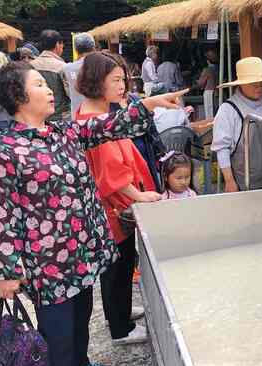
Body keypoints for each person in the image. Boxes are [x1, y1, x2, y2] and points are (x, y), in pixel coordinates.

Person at [0, 60, 185, 366]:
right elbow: (2, 215)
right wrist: (7, 271)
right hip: (47, 263)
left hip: (81, 252)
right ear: (18, 96)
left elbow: (108, 125)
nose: (49, 91)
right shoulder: (3, 151)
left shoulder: (62, 133)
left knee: (80, 316)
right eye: (39, 85)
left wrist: (152, 105)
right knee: (56, 334)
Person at [76, 52, 162, 346]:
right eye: (116, 80)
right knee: (117, 265)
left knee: (122, 265)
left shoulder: (99, 113)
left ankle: (121, 312)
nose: (122, 85)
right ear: (96, 81)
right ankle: (120, 328)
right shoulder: (94, 118)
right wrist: (137, 195)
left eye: (123, 79)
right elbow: (110, 171)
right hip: (111, 208)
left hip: (111, 205)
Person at [212, 57, 262, 192]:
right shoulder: (228, 109)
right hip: (243, 181)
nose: (259, 87)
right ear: (241, 84)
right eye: (254, 84)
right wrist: (229, 181)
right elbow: (222, 149)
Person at [31, 29, 70, 121]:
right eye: (62, 45)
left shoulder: (30, 65)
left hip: (37, 117)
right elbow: (70, 93)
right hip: (60, 117)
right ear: (57, 45)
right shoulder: (63, 67)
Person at [61, 33, 96, 119]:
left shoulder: (67, 68)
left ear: (76, 49)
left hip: (77, 116)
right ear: (94, 47)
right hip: (98, 116)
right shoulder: (101, 66)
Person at [197, 49, 218, 119]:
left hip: (209, 91)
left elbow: (201, 83)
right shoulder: (218, 68)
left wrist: (196, 82)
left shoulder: (207, 70)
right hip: (218, 91)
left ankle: (210, 128)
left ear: (207, 61)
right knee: (215, 111)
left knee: (209, 112)